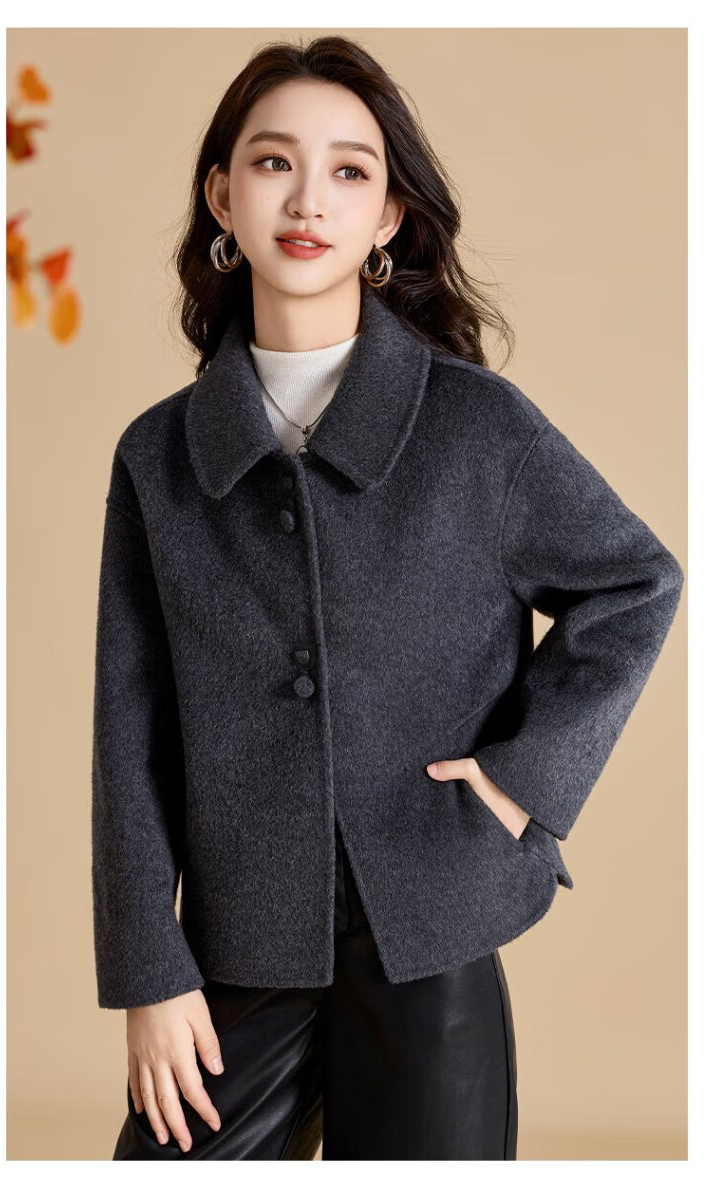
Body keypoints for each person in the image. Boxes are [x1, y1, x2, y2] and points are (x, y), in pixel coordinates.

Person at [91, 36, 684, 1160]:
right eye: (273, 163)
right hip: (234, 947)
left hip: (432, 931)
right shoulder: (159, 458)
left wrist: (522, 781)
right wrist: (147, 973)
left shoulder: (476, 427)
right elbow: (131, 729)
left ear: (389, 218)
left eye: (350, 171)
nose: (309, 199)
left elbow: (635, 583)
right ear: (222, 196)